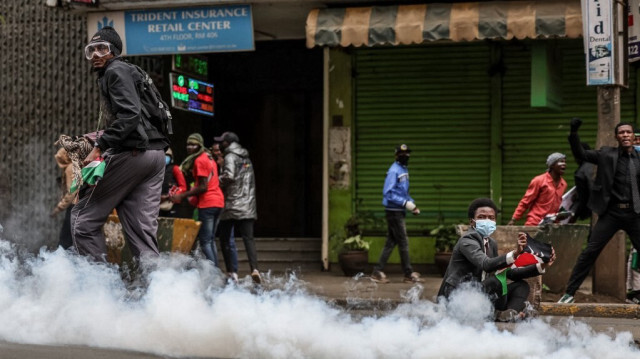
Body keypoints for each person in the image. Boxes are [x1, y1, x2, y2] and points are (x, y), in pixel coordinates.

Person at [71, 26, 168, 261]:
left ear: (113, 51)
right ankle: (159, 293)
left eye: (102, 49)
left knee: (82, 220)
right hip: (155, 157)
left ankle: (101, 288)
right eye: (91, 50)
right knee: (142, 234)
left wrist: (99, 146)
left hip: (134, 154)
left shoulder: (115, 71)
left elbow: (130, 115)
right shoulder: (131, 71)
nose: (96, 56)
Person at [558, 118, 640, 303]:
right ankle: (569, 293)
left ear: (633, 136)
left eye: (628, 132)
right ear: (616, 137)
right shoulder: (606, 154)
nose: (625, 135)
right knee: (590, 252)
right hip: (611, 213)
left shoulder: (639, 157)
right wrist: (573, 133)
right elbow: (581, 153)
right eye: (621, 132)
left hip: (634, 213)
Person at [438, 198, 555, 321]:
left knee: (521, 285)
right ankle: (496, 315)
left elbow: (506, 272)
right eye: (482, 217)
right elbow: (486, 264)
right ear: (472, 222)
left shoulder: (491, 243)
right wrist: (515, 253)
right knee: (496, 282)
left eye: (491, 218)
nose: (487, 221)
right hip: (460, 296)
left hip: (480, 293)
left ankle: (510, 314)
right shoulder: (467, 240)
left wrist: (542, 265)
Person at [371, 144, 423, 284]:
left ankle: (377, 271)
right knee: (403, 242)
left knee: (391, 242)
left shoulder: (403, 169)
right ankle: (407, 273)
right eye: (402, 154)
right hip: (394, 212)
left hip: (398, 210)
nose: (405, 156)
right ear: (396, 156)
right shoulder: (394, 171)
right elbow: (388, 193)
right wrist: (405, 204)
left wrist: (411, 205)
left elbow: (402, 192)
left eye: (407, 154)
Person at [172, 134, 225, 269]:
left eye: (193, 145)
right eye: (188, 144)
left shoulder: (200, 160)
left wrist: (182, 196)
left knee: (205, 241)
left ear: (199, 146)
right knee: (211, 240)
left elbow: (203, 187)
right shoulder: (209, 157)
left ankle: (214, 273)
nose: (190, 147)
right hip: (218, 201)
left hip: (208, 203)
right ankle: (216, 272)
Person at [214, 132, 261, 284]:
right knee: (249, 239)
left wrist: (215, 179)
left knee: (225, 238)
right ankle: (254, 269)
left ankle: (231, 273)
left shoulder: (230, 157)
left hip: (233, 205)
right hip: (248, 205)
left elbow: (229, 176)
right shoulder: (246, 158)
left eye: (222, 142)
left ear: (227, 143)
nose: (221, 144)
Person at [508, 153, 568, 226]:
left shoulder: (563, 184)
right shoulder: (539, 181)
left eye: (565, 162)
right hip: (535, 222)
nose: (564, 164)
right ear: (552, 165)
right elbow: (525, 202)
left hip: (551, 224)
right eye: (561, 161)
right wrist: (514, 219)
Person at [212, 141, 239, 282]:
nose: (216, 153)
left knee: (229, 239)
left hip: (227, 205)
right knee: (223, 239)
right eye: (214, 150)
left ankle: (233, 271)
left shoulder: (229, 163)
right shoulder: (218, 163)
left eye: (218, 150)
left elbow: (228, 181)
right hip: (222, 204)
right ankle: (230, 271)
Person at [51, 147, 77, 249]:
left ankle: (61, 258)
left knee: (65, 239)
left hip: (74, 206)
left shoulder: (70, 168)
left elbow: (72, 192)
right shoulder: (75, 166)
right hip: (78, 206)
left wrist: (59, 208)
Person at [159, 148, 187, 218]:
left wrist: (169, 195)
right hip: (157, 203)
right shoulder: (156, 170)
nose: (165, 157)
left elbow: (183, 187)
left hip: (171, 202)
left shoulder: (175, 169)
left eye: (167, 156)